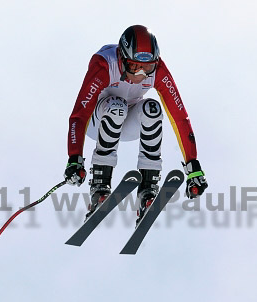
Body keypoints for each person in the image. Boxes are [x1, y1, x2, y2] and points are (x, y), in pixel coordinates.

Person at [63, 25, 208, 225]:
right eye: (134, 66)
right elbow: (79, 115)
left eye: (147, 68)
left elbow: (179, 117)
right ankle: (100, 185)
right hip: (97, 121)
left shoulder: (159, 71)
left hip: (130, 123)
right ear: (122, 58)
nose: (140, 73)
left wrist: (193, 166)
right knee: (117, 106)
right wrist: (75, 158)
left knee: (153, 108)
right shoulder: (105, 65)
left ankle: (147, 190)